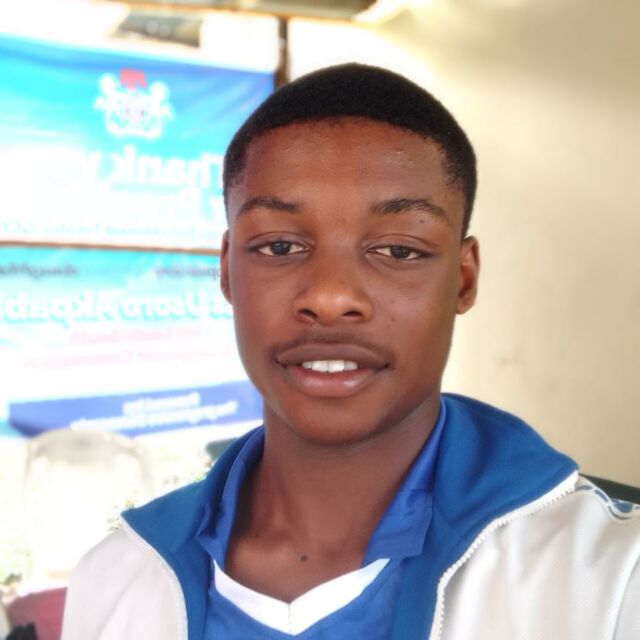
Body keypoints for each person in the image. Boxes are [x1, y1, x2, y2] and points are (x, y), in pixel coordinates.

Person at [61, 63, 640, 640]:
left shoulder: (612, 580)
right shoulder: (117, 580)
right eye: (279, 246)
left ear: (463, 280)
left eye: (399, 250)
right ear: (227, 271)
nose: (331, 297)